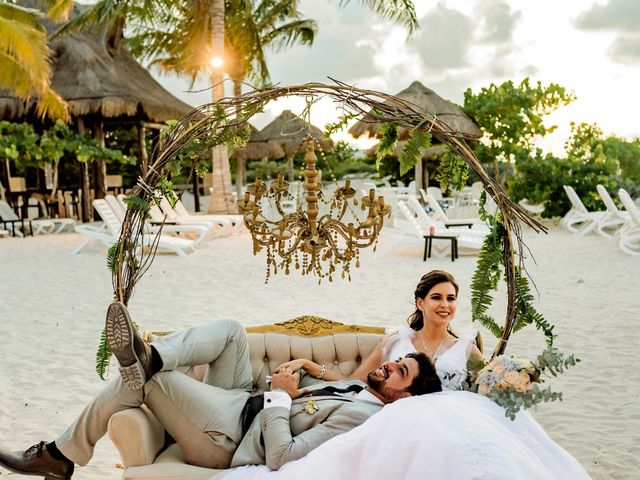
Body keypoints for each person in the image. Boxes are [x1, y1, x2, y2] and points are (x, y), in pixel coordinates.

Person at [0, 302, 442, 479]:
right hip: (239, 398)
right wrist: (305, 369)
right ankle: (151, 354)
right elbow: (330, 385)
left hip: (229, 437)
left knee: (147, 382)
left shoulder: (362, 419)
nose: (388, 365)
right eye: (395, 361)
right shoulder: (358, 389)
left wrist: (281, 396)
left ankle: (60, 455)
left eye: (399, 371)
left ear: (403, 397)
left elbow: (283, 456)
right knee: (232, 330)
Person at [277, 270, 484, 390]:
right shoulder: (396, 342)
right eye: (436, 297)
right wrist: (307, 364)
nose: (445, 305)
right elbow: (354, 382)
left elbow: (488, 390)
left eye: (451, 298)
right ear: (420, 303)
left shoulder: (466, 349)